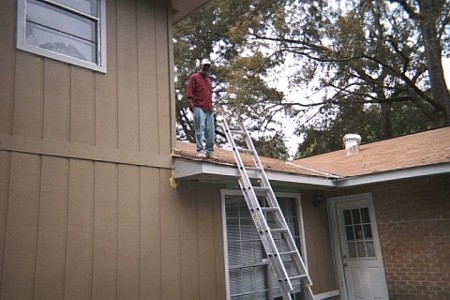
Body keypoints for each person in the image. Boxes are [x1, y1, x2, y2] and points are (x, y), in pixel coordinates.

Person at [187, 58, 216, 158]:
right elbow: (190, 92)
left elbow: (209, 95)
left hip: (209, 108)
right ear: (201, 66)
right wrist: (192, 106)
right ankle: (201, 150)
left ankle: (210, 151)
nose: (206, 68)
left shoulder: (209, 81)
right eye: (205, 66)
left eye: (208, 66)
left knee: (211, 131)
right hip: (199, 106)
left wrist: (212, 106)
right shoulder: (194, 77)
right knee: (200, 129)